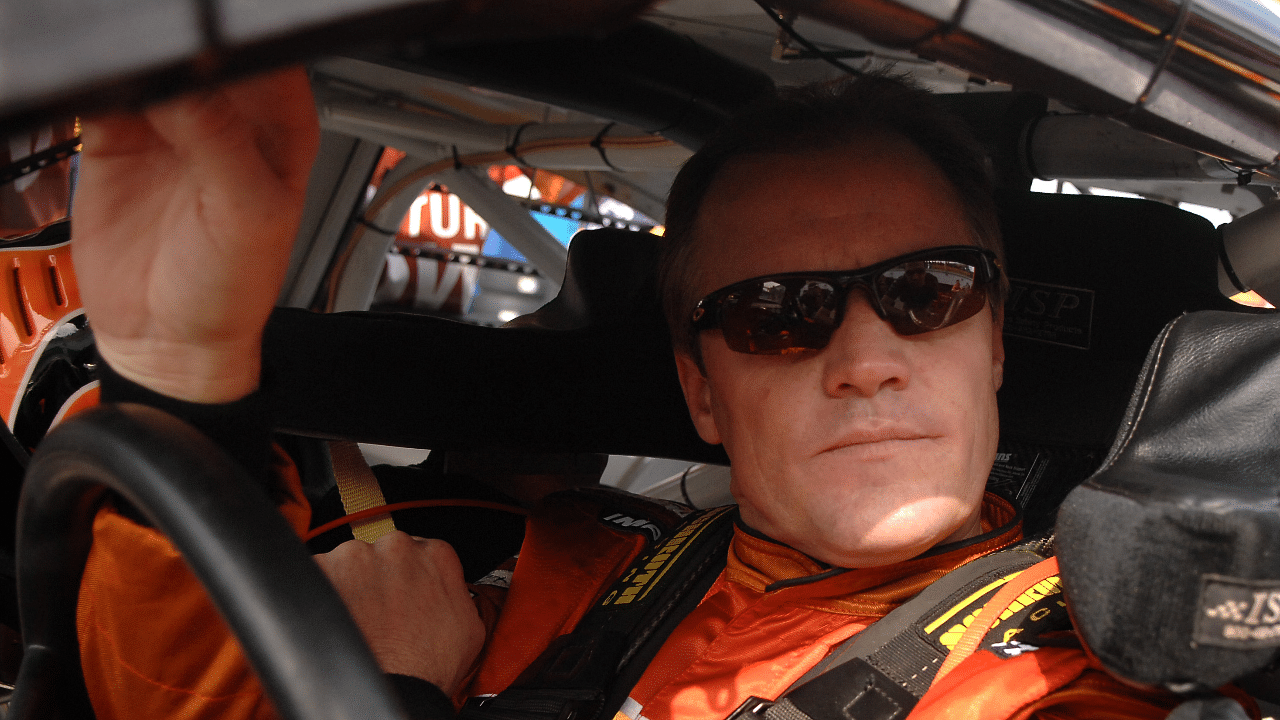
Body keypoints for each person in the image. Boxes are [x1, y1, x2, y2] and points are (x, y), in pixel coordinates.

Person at [69, 67, 1240, 720]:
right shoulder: (553, 578)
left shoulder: (1090, 679)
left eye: (927, 291)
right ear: (700, 391)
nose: (866, 358)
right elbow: (172, 701)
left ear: (991, 344)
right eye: (776, 314)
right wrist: (174, 374)